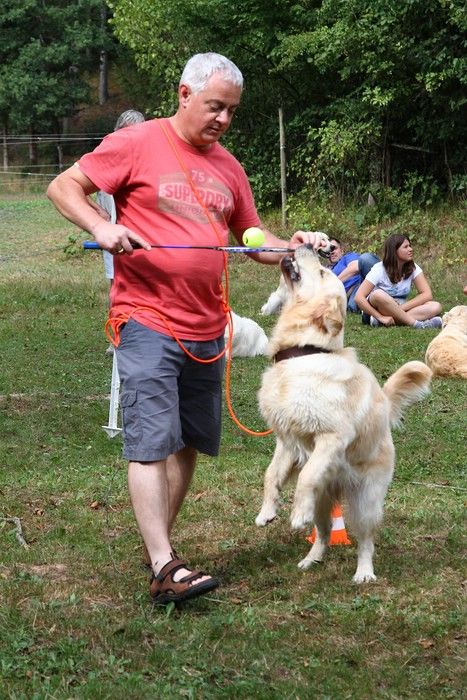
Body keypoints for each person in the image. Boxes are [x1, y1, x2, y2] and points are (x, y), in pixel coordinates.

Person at [46, 52, 328, 605]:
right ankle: (163, 564)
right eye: (215, 106)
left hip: (207, 326)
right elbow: (63, 187)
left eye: (232, 111)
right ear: (184, 94)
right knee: (151, 440)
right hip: (145, 316)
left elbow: (253, 240)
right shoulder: (137, 142)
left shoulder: (229, 168)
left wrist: (294, 247)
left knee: (187, 441)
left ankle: (160, 548)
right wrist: (102, 226)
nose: (223, 118)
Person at [95, 110, 145, 354]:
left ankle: (145, 334)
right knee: (116, 286)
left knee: (145, 285)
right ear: (118, 132)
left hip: (142, 236)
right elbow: (73, 186)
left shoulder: (146, 157)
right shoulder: (105, 154)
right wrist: (98, 215)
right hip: (113, 236)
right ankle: (115, 336)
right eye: (130, 132)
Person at [355, 233, 442, 328]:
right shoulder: (379, 269)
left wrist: (400, 308)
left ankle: (386, 322)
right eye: (406, 247)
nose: (410, 249)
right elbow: (359, 297)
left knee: (435, 306)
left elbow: (427, 294)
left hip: (401, 307)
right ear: (394, 251)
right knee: (377, 294)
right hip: (377, 310)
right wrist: (380, 317)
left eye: (410, 246)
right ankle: (418, 325)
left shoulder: (413, 268)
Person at [328, 237, 379, 313]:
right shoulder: (327, 270)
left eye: (333, 248)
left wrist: (333, 283)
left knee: (365, 258)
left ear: (342, 250)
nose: (331, 252)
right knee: (352, 305)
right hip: (348, 298)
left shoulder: (348, 257)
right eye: (329, 250)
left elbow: (355, 267)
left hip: (361, 285)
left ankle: (384, 292)